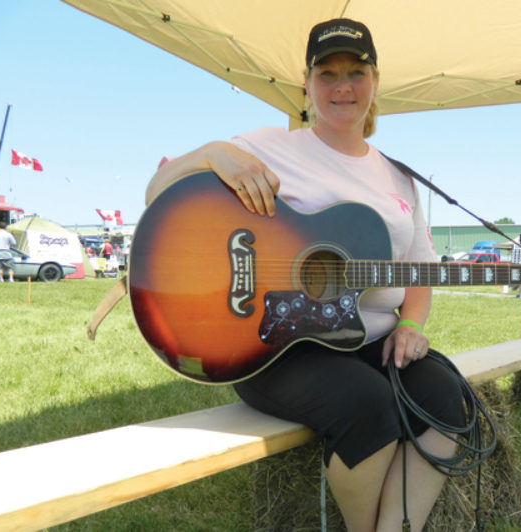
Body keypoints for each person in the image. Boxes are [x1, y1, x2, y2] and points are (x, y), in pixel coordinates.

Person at [146, 19, 464, 531]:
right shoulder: (268, 146)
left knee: (450, 400)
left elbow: (420, 269)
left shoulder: (399, 177)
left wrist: (411, 324)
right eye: (327, 73)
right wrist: (211, 152)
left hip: (369, 341)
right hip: (273, 344)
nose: (342, 87)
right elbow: (157, 191)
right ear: (307, 85)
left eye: (356, 73)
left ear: (375, 82)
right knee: (368, 405)